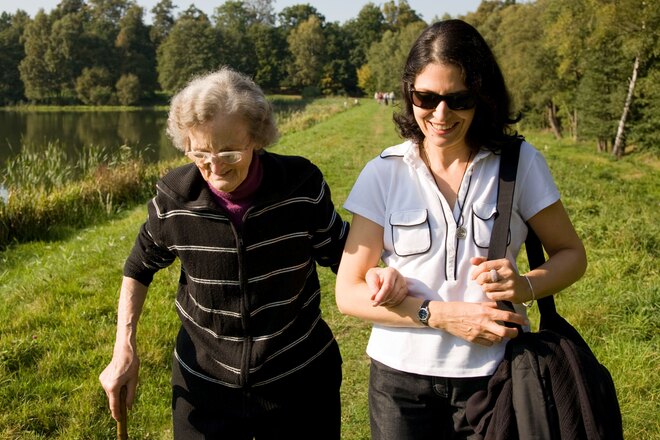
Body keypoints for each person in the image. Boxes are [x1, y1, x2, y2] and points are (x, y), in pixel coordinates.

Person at [335, 19, 587, 440]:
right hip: (398, 383)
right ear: (408, 92)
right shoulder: (384, 172)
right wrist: (440, 315)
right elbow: (348, 293)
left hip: (495, 375)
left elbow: (572, 254)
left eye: (459, 99)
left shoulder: (519, 164)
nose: (440, 114)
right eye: (425, 97)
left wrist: (524, 285)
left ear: (482, 97)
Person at [99, 67, 365, 439]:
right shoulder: (175, 198)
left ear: (256, 137)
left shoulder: (300, 185)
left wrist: (387, 283)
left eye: (228, 152)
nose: (214, 166)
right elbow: (139, 266)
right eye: (199, 153)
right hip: (205, 385)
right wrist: (123, 347)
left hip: (298, 380)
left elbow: (343, 253)